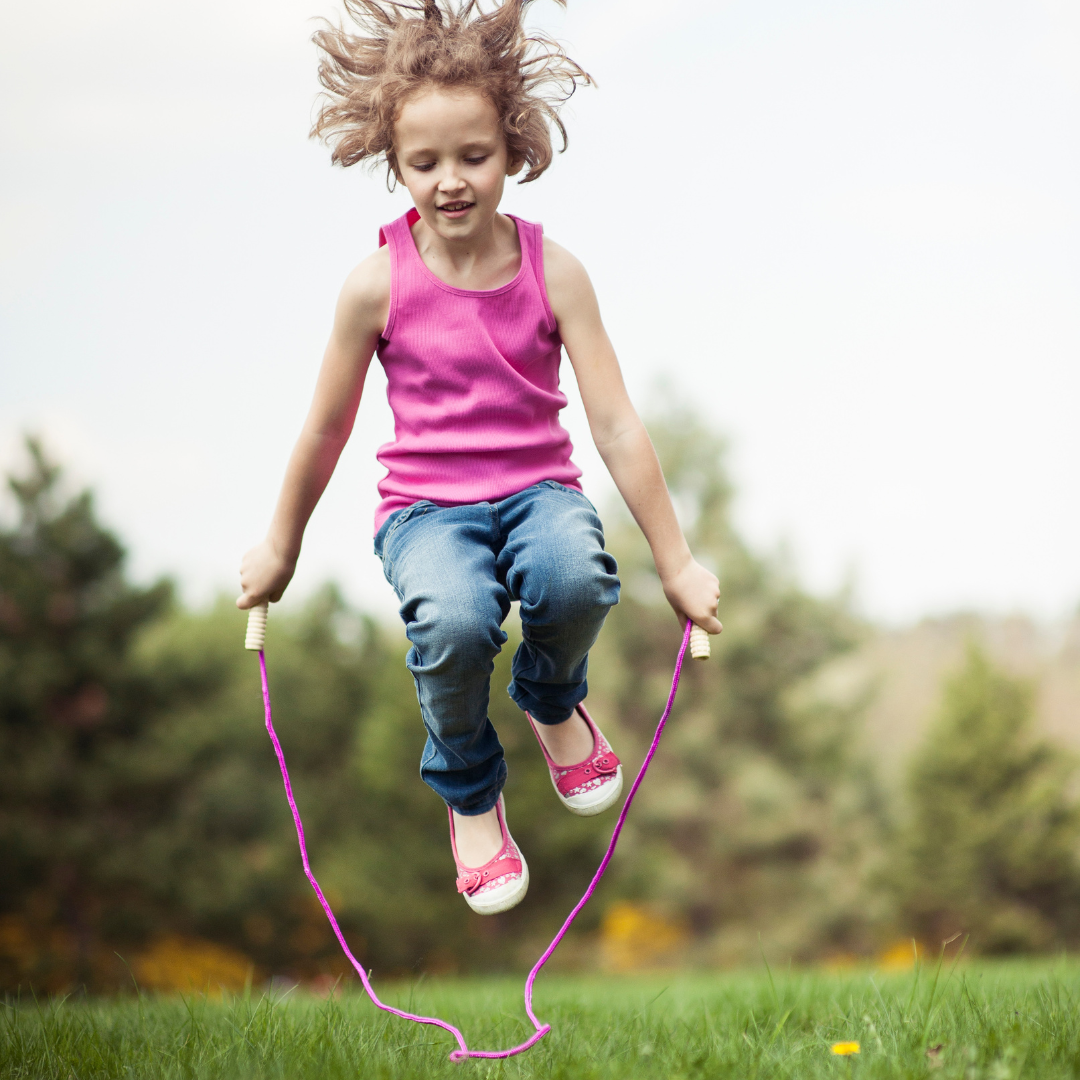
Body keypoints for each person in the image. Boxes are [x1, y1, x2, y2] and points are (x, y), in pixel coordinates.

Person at [237, 0, 721, 916]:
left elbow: (615, 424)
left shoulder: (556, 271)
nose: (451, 181)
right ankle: (469, 792)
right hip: (426, 511)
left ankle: (549, 698)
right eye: (425, 163)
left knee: (574, 578)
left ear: (515, 147)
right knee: (455, 624)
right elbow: (323, 429)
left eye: (475, 156)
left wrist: (679, 563)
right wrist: (280, 547)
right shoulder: (374, 286)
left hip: (538, 491)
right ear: (394, 163)